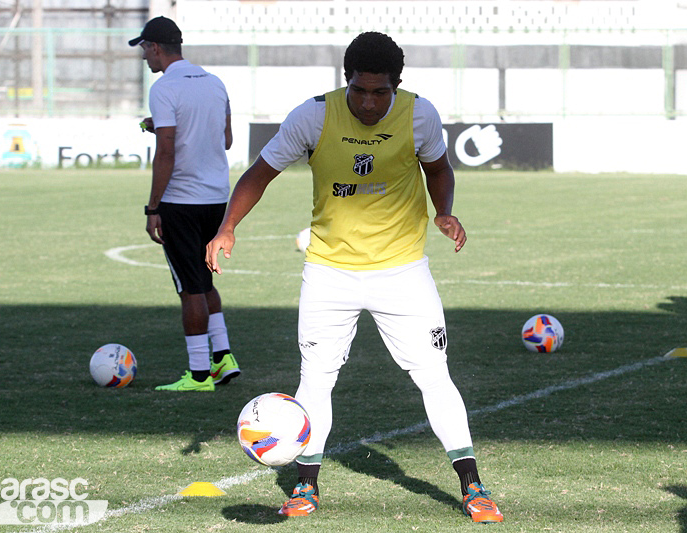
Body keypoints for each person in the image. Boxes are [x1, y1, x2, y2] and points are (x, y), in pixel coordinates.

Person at [206, 32, 503, 523]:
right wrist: (227, 227)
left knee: (434, 376)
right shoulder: (314, 116)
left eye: (380, 92)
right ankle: (305, 485)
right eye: (359, 91)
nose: (368, 102)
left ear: (396, 86)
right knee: (316, 380)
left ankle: (473, 486)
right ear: (346, 82)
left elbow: (439, 168)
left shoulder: (419, 115)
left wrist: (444, 210)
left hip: (404, 272)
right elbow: (259, 173)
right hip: (329, 273)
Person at [129, 16, 240, 391]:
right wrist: (157, 124)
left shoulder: (164, 88)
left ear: (156, 48)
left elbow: (167, 152)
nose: (145, 57)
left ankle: (197, 375)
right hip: (216, 198)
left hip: (181, 200)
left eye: (144, 49)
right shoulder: (214, 82)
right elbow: (224, 138)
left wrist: (153, 207)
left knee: (189, 287)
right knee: (204, 280)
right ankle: (223, 358)